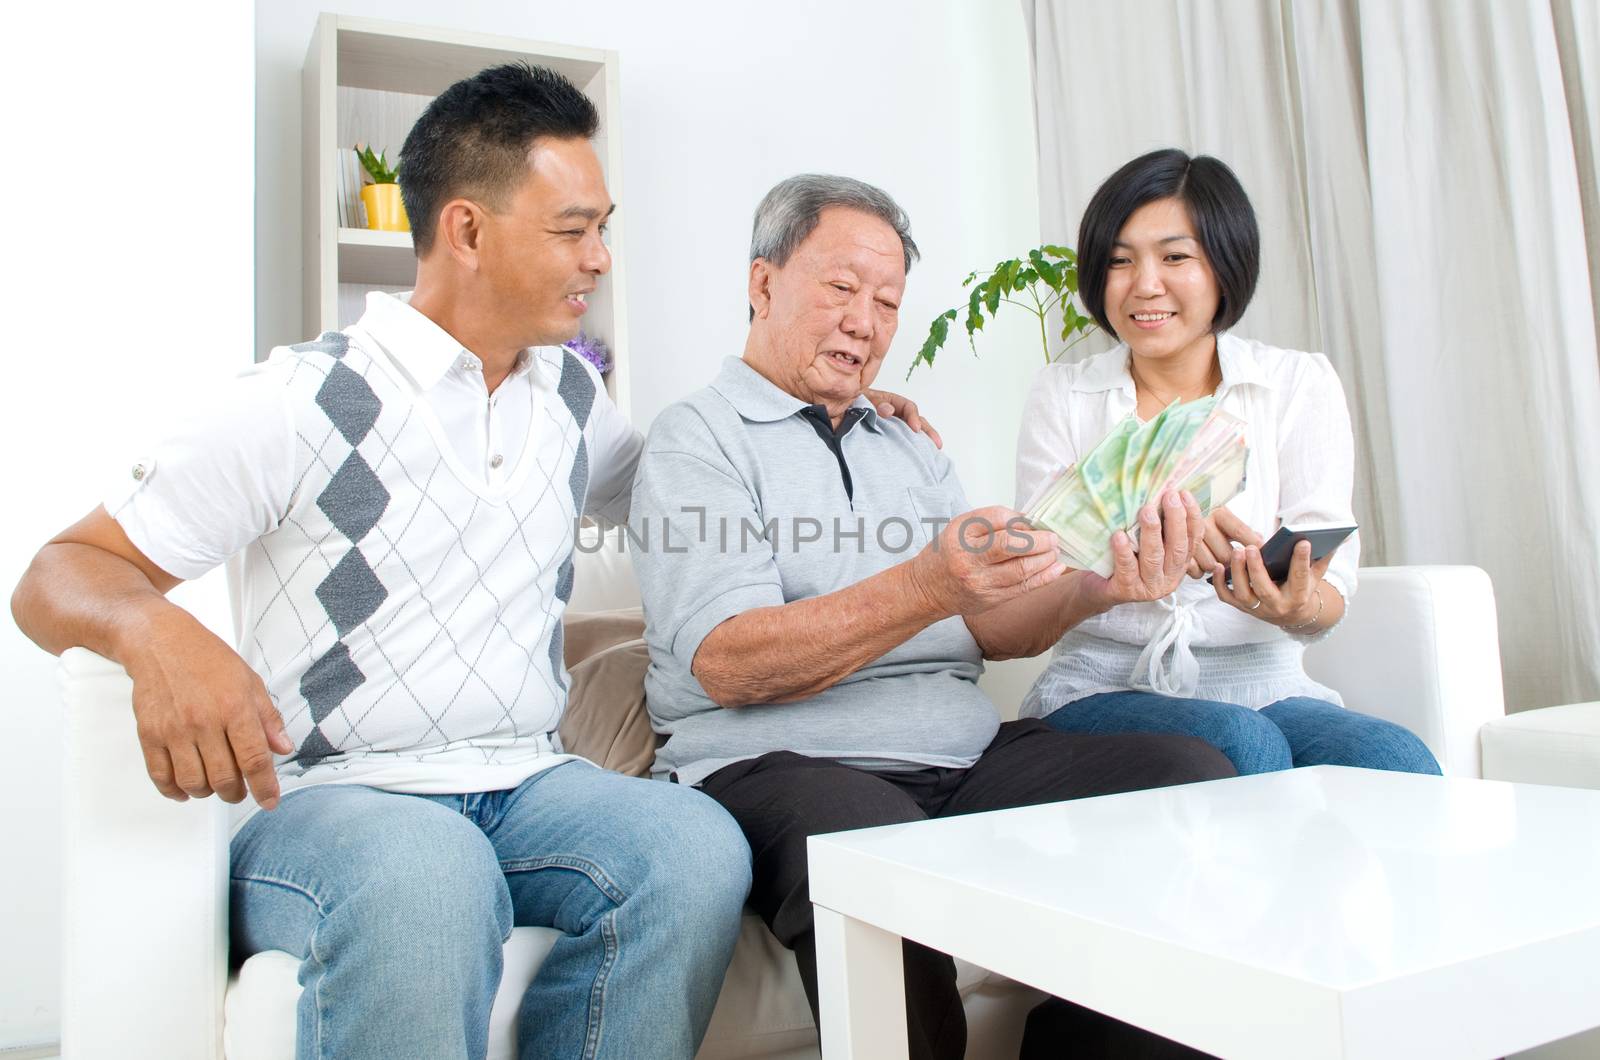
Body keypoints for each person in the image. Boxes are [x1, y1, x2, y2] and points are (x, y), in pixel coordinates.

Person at [11, 63, 760, 1060]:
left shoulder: (574, 402)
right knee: (427, 869)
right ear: (467, 231)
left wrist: (823, 407)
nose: (601, 258)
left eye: (602, 227)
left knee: (693, 844)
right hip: (332, 800)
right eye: (572, 230)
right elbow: (55, 573)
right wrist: (154, 628)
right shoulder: (300, 399)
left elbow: (685, 487)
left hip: (528, 780)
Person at [629, 172, 1238, 1060]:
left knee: (1188, 776)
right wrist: (929, 583)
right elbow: (731, 662)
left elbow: (993, 630)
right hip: (779, 765)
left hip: (959, 756)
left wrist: (1096, 586)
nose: (866, 323)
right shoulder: (697, 438)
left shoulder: (907, 440)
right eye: (841, 289)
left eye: (886, 302)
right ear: (762, 284)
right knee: (875, 845)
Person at [1014, 148, 1440, 777]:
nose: (1144, 285)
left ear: (1225, 264)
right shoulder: (1065, 394)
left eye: (1175, 257)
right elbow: (1037, 576)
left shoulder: (1295, 383)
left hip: (1269, 685)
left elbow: (1328, 589)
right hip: (1103, 686)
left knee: (1393, 756)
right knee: (1239, 744)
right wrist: (1134, 540)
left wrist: (1293, 605)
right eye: (1119, 261)